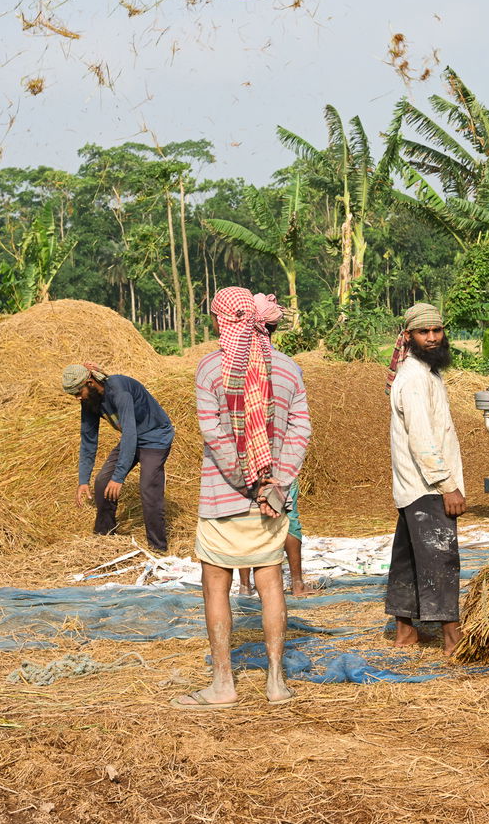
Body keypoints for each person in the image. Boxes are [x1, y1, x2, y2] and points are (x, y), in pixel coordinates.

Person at [174, 287, 311, 710]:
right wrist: (274, 485)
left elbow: (214, 435)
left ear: (221, 322)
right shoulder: (287, 369)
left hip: (222, 499)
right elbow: (300, 432)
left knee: (216, 584)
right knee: (271, 584)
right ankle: (275, 683)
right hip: (270, 503)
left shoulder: (210, 370)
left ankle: (223, 685)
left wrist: (247, 482)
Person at [385, 303, 466, 655]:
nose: (432, 338)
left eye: (437, 330)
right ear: (408, 336)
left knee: (409, 558)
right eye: (423, 332)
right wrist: (448, 485)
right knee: (440, 558)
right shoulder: (414, 378)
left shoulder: (427, 373)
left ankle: (405, 633)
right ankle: (453, 640)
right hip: (427, 486)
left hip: (412, 486)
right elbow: (421, 439)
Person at [238, 294, 312, 598]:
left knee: (244, 520)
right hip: (282, 462)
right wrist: (286, 467)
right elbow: (300, 423)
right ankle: (296, 582)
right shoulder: (290, 367)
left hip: (243, 461)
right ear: (273, 328)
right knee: (288, 519)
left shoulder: (231, 366)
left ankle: (245, 586)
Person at [63, 362, 173, 553]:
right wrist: (83, 479)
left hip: (155, 437)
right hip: (133, 438)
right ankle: (105, 537)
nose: (77, 398)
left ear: (89, 382)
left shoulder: (119, 391)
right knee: (102, 482)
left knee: (148, 489)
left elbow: (129, 432)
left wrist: (119, 477)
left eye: (78, 392)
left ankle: (158, 548)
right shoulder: (89, 401)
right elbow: (88, 440)